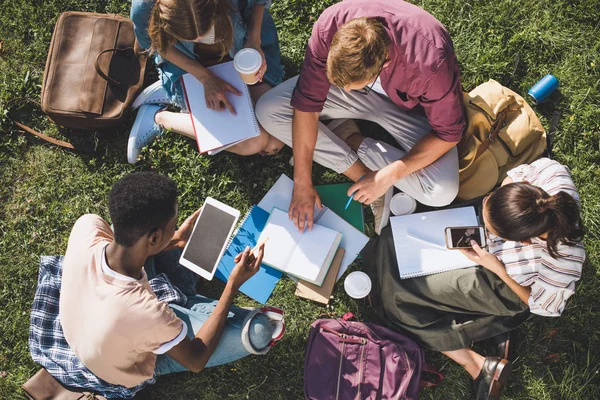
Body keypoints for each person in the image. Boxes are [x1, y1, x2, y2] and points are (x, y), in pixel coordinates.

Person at [29, 172, 284, 399]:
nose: (176, 228)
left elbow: (132, 249)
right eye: (172, 225)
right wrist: (233, 285)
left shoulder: (88, 226)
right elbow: (196, 359)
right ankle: (190, 304)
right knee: (259, 331)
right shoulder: (146, 312)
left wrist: (172, 240)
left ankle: (189, 304)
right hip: (135, 351)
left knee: (181, 264)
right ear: (153, 237)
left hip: (106, 319)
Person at [363, 158, 585, 399]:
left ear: (523, 242)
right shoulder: (552, 176)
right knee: (391, 241)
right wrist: (498, 199)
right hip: (489, 250)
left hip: (502, 283)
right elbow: (519, 173)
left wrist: (497, 268)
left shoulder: (564, 261)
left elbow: (543, 305)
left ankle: (479, 366)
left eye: (493, 228)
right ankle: (492, 328)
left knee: (399, 301)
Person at [255, 0, 466, 234]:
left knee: (441, 192)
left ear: (384, 64)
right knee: (268, 109)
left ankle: (351, 139)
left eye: (349, 86)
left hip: (412, 109)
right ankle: (359, 170)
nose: (344, 91)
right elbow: (307, 104)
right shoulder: (330, 24)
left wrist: (388, 175)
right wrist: (302, 181)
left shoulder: (431, 62)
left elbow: (449, 134)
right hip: (369, 91)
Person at [127, 0, 286, 164]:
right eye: (187, 38)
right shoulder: (144, 6)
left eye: (205, 32)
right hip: (189, 66)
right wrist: (206, 78)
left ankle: (176, 94)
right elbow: (157, 44)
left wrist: (254, 40)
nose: (198, 40)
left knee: (275, 139)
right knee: (253, 143)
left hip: (238, 48)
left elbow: (257, 3)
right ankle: (158, 117)